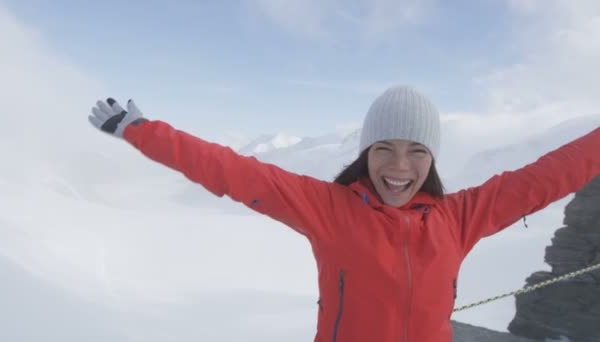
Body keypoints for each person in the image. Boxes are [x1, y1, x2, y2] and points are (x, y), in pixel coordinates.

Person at [88, 85, 600, 342]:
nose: (400, 167)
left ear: (433, 159)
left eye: (417, 151)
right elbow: (232, 172)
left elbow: (546, 176)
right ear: (364, 153)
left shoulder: (458, 217)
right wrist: (141, 130)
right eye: (385, 148)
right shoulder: (328, 210)